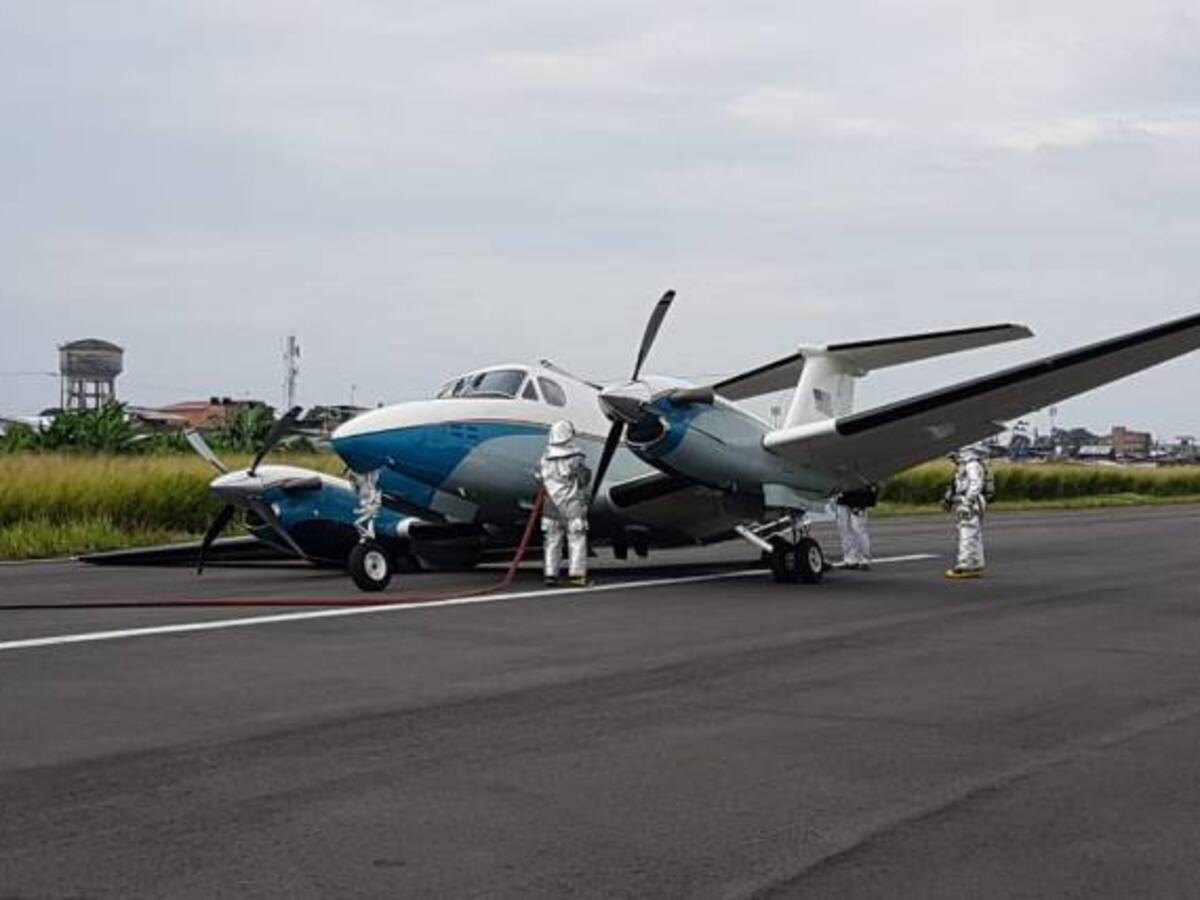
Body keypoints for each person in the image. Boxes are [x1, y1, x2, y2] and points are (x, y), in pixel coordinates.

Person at [539, 420, 593, 587]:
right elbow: (583, 480)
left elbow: (539, 479)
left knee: (552, 539)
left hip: (551, 503)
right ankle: (577, 576)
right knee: (576, 539)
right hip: (571, 502)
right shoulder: (576, 456)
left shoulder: (544, 457)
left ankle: (550, 575)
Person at [943, 446, 989, 578]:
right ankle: (975, 563)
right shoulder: (970, 465)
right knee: (974, 534)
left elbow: (976, 485)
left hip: (971, 502)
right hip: (970, 501)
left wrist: (967, 503)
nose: (954, 459)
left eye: (955, 456)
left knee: (967, 533)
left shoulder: (971, 465)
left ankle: (965, 566)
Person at [835, 492, 872, 570]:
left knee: (858, 529)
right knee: (844, 529)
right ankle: (849, 560)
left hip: (858, 498)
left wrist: (864, 501)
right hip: (843, 498)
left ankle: (864, 560)